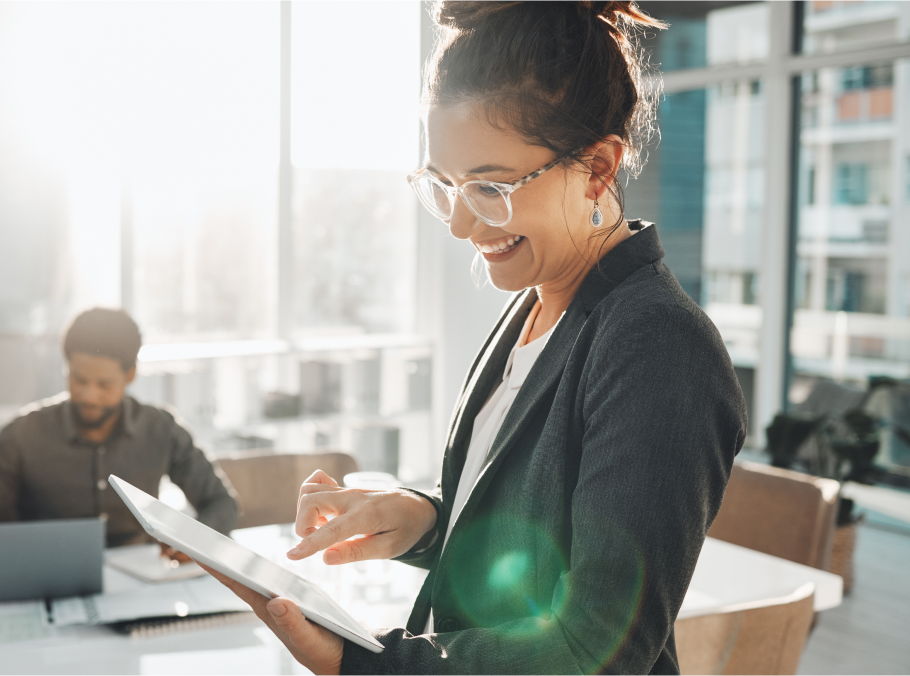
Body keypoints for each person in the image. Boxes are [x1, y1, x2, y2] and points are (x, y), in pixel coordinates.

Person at [203, 1, 747, 673]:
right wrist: (426, 518)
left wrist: (365, 665)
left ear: (600, 169)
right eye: (446, 186)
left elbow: (598, 649)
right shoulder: (535, 306)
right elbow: (533, 529)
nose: (461, 225)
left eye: (490, 188)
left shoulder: (659, 348)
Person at [0, 307, 238, 558]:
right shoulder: (21, 435)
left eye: (104, 384)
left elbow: (221, 503)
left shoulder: (161, 428)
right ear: (65, 367)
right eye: (78, 380)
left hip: (141, 578)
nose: (89, 396)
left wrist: (192, 543)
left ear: (130, 375)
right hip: (49, 573)